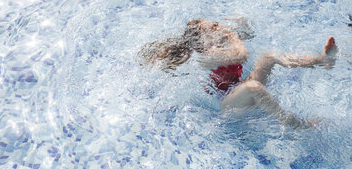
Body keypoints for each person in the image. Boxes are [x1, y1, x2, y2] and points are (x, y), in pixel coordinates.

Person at [138, 18, 338, 128]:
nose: (217, 28)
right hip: (227, 103)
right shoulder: (210, 54)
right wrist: (232, 35)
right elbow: (241, 54)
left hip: (238, 87)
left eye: (214, 25)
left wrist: (244, 25)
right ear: (203, 40)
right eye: (211, 28)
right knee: (254, 88)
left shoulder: (222, 41)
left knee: (269, 56)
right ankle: (296, 124)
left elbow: (247, 41)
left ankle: (322, 60)